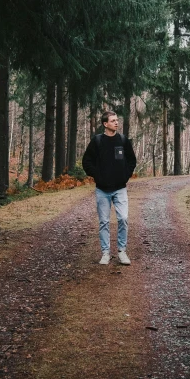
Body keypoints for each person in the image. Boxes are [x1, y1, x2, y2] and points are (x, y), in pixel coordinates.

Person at [82, 110, 137, 265]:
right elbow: (87, 161)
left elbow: (132, 160)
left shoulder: (123, 140)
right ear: (105, 124)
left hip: (120, 189)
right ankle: (105, 253)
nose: (116, 123)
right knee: (104, 222)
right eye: (113, 121)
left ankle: (122, 252)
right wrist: (97, 175)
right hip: (102, 190)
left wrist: (125, 175)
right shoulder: (97, 141)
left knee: (123, 219)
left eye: (117, 120)